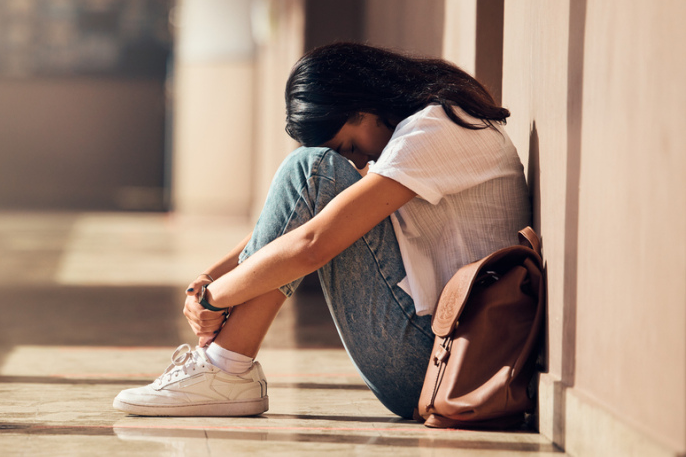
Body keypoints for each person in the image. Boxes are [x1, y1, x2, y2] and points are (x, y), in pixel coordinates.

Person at [113, 42, 531, 419]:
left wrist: (215, 299)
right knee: (313, 171)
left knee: (312, 168)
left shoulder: (436, 128)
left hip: (442, 363)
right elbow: (304, 222)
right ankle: (225, 367)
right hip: (438, 359)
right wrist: (210, 278)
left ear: (362, 106)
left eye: (350, 146)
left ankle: (225, 368)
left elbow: (312, 244)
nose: (360, 158)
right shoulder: (435, 123)